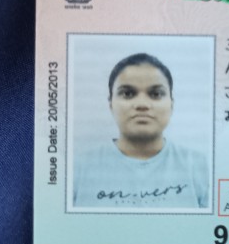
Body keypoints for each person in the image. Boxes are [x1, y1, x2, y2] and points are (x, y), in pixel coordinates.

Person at [73, 53, 209, 209]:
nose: (142, 104)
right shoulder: (78, 169)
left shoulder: (199, 167)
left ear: (171, 104)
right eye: (128, 93)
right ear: (111, 104)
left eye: (156, 94)